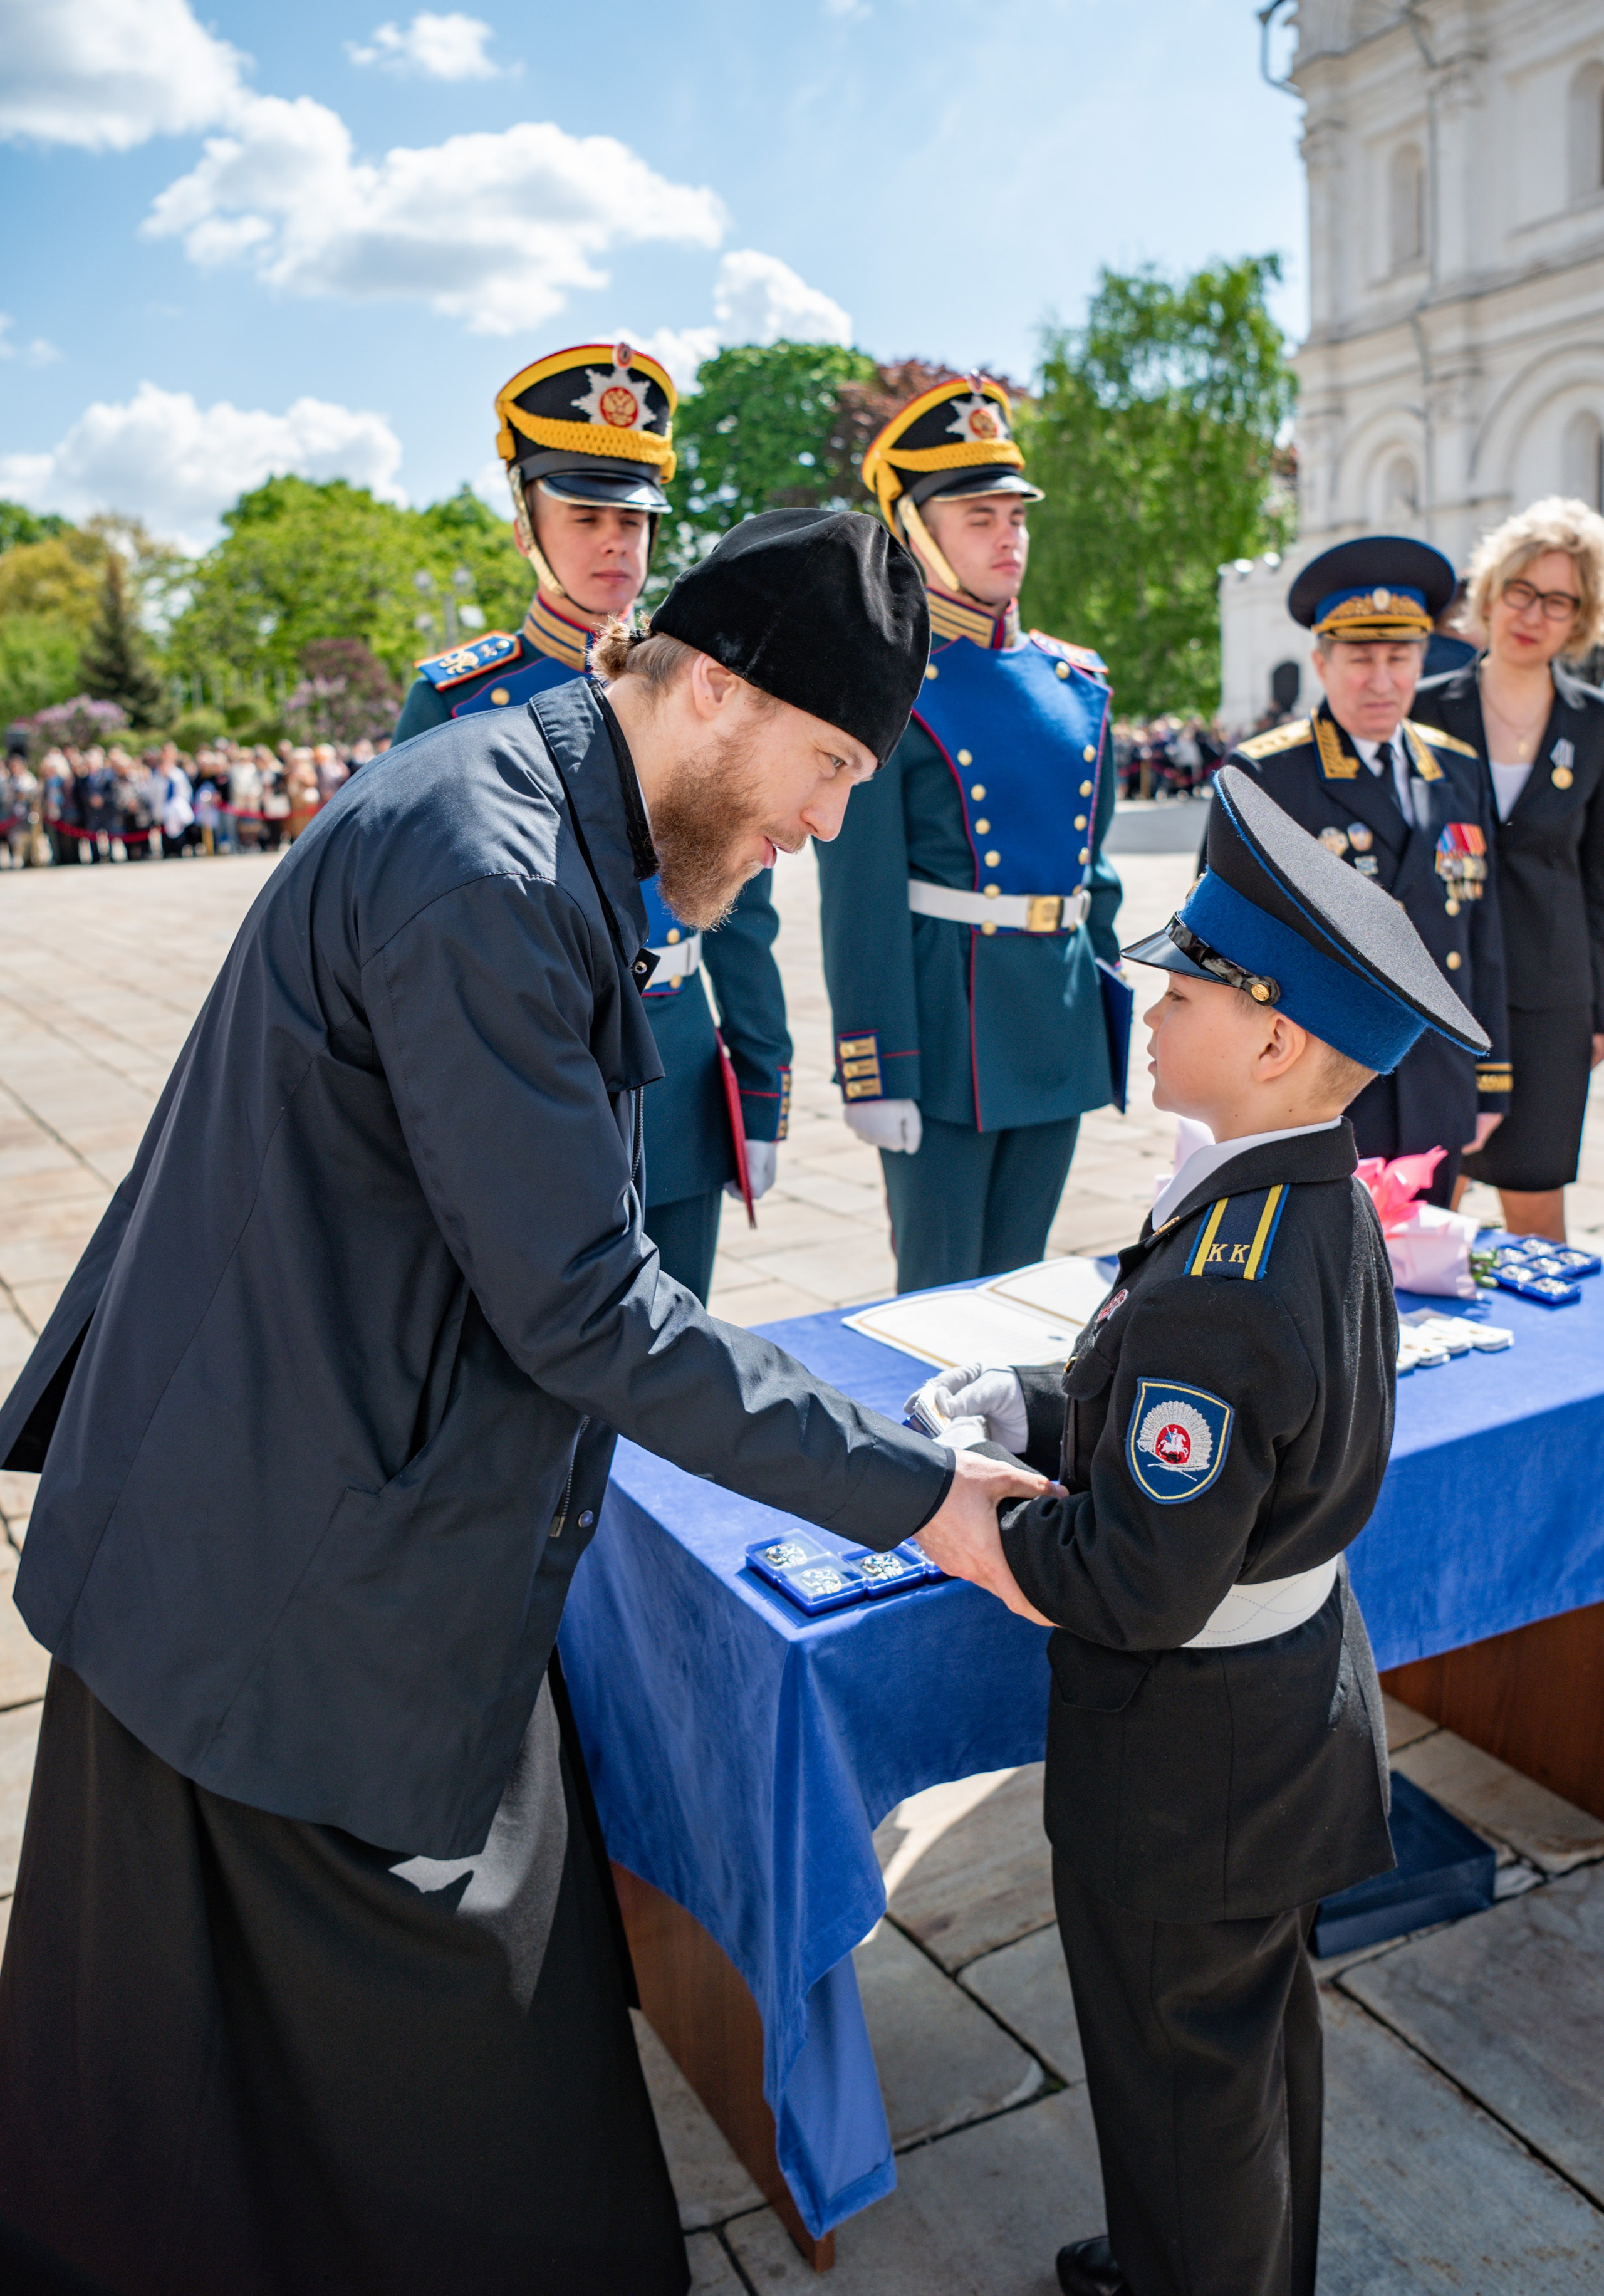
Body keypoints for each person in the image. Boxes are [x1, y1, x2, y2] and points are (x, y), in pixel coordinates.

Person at [0, 508, 1044, 2296]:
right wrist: (924, 1492)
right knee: (416, 2111)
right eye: (826, 768)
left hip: (278, 1516)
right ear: (713, 691)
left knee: (195, 2088)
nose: (828, 823)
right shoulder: (484, 865)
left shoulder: (534, 804)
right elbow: (584, 1306)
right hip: (286, 1578)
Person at [912, 766, 1491, 2296]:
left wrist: (962, 1526)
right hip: (1270, 1722)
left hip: (1189, 1762)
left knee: (1184, 2062)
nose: (1151, 1010)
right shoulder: (1286, 1200)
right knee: (1235, 2051)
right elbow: (1205, 1415)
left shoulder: (1224, 1268)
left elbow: (1130, 1575)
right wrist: (1038, 1407)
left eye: (1180, 988)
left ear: (1273, 1036)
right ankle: (1207, 2253)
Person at [392, 340, 791, 1301]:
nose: (616, 541)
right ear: (527, 522)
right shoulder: (457, 702)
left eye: (634, 517)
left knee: (678, 1376)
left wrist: (764, 1084)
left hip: (680, 1066)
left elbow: (746, 911)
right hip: (528, 1081)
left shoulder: (716, 695)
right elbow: (403, 935)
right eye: (586, 516)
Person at [816, 373, 1122, 1291]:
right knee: (939, 1296)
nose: (1007, 537)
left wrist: (1108, 1025)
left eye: (1015, 517)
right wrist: (875, 1069)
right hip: (948, 1032)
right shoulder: (889, 686)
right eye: (979, 517)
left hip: (1055, 1025)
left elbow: (1094, 878)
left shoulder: (1081, 682)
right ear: (919, 531)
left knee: (1023, 1285)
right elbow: (859, 899)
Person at [1224, 535, 1510, 1206]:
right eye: (1360, 657)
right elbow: (1224, 954)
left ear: (1421, 659)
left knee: (1424, 1286)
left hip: (1436, 1077)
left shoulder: (1457, 767)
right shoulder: (1266, 774)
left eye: (1399, 656)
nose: (1381, 680)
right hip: (1321, 1089)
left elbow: (1482, 932)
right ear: (1321, 663)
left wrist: (1488, 1076)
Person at [1412, 496, 1604, 1239]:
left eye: (1559, 600)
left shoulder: (1594, 723)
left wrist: (1598, 1010)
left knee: (1535, 1210)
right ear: (1490, 592)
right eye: (1521, 590)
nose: (1533, 613)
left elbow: (1599, 881)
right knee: (1423, 1208)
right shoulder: (1425, 709)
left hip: (1550, 998)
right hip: (1439, 990)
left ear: (1579, 617)